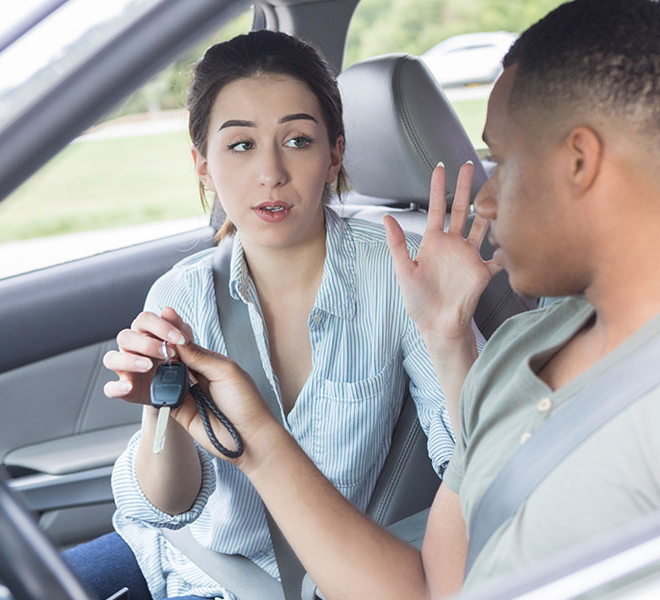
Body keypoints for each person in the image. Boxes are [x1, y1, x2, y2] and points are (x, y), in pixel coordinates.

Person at [160, 0, 660, 597]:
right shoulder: (523, 345)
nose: (488, 199)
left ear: (578, 162)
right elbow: (431, 588)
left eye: (501, 160)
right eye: (241, 145)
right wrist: (446, 335)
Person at [63, 30, 470, 600]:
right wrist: (165, 409)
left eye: (298, 140)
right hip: (182, 561)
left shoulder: (399, 274)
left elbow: (475, 457)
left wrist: (451, 337)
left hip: (320, 577)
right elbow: (169, 505)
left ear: (335, 155)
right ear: (202, 165)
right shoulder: (183, 293)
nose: (271, 173)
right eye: (240, 146)